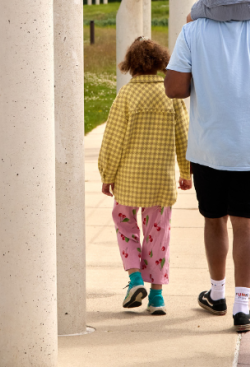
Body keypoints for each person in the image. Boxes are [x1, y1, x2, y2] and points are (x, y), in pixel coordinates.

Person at [165, 9, 250, 332]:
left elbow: (175, 88)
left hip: (210, 143)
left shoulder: (194, 31)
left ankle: (217, 292)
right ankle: (242, 306)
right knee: (246, 223)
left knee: (214, 219)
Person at [98, 37, 190, 315]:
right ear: (161, 62)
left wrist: (107, 173)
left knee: (124, 223)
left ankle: (135, 278)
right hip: (160, 182)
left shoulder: (125, 96)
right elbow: (184, 136)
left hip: (128, 180)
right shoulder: (169, 95)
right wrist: (186, 172)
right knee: (158, 236)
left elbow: (113, 139)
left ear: (131, 65)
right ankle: (157, 297)